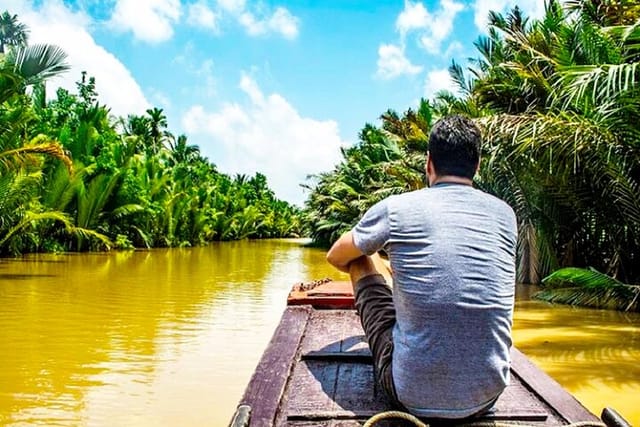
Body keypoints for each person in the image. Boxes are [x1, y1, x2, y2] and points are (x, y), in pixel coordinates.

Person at [326, 115, 517, 419]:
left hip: (410, 397)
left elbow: (336, 256)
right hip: (486, 397)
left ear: (429, 163)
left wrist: (378, 261)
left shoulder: (397, 208)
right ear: (477, 166)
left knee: (361, 257)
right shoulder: (505, 215)